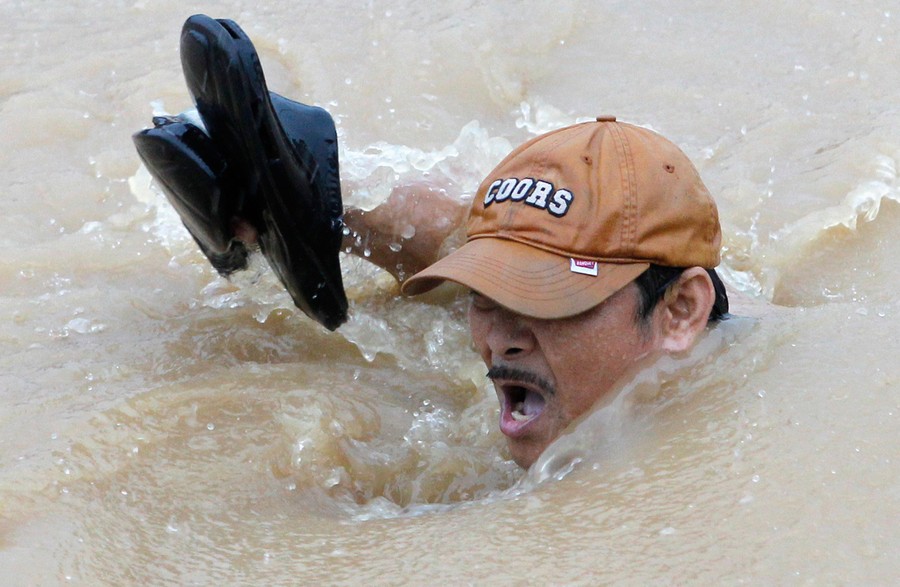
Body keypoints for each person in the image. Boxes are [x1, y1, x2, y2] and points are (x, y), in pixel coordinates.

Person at [136, 16, 729, 470]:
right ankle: (329, 203)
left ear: (680, 312)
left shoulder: (719, 430)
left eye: (548, 300)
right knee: (452, 244)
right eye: (486, 295)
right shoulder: (593, 361)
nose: (499, 341)